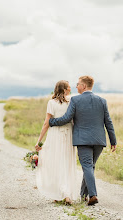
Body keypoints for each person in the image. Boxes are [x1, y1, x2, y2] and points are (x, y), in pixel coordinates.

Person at [45, 75, 117, 206]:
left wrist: (52, 122)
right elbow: (108, 122)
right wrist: (113, 141)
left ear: (83, 86)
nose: (76, 86)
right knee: (90, 166)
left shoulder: (76, 100)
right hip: (99, 140)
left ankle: (93, 195)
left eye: (78, 84)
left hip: (83, 140)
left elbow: (67, 118)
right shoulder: (102, 101)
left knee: (87, 166)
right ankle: (83, 194)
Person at [34, 80, 79, 205]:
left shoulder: (51, 103)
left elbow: (46, 123)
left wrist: (39, 141)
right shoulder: (72, 101)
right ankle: (66, 194)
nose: (71, 88)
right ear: (64, 89)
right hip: (68, 134)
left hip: (55, 135)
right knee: (67, 162)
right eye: (69, 86)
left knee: (55, 161)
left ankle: (59, 193)